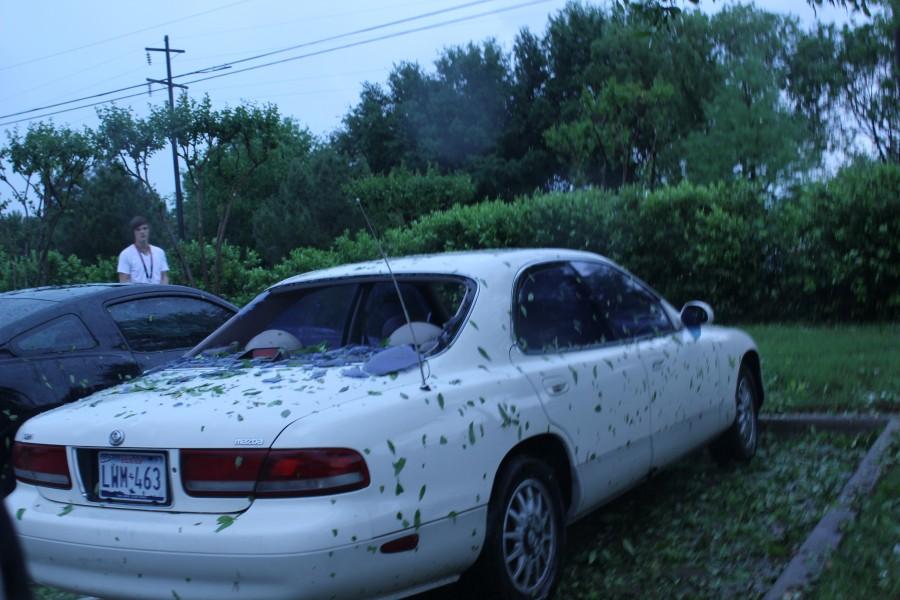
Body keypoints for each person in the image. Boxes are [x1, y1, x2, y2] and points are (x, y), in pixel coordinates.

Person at [117, 216, 169, 284]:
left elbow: (164, 277)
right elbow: (123, 282)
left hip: (158, 293)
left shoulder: (159, 252)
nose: (142, 232)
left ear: (149, 230)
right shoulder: (125, 254)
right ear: (133, 232)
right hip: (138, 294)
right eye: (138, 229)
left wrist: (162, 292)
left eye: (145, 228)